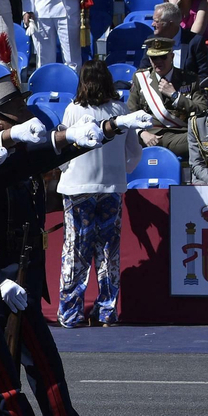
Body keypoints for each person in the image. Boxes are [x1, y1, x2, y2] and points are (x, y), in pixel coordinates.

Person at [57, 60, 142, 327]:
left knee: (76, 249)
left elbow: (64, 152)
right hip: (111, 188)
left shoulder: (73, 110)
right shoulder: (120, 109)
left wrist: (66, 170)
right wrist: (121, 170)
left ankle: (71, 313)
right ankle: (107, 311)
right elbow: (135, 150)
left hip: (78, 188)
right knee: (108, 250)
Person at [126, 37, 194, 159]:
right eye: (154, 58)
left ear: (172, 56)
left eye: (163, 57)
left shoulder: (189, 79)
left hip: (179, 136)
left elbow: (201, 108)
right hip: (147, 135)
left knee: (202, 139)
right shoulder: (140, 78)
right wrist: (141, 133)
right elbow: (130, 112)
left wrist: (175, 96)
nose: (158, 61)